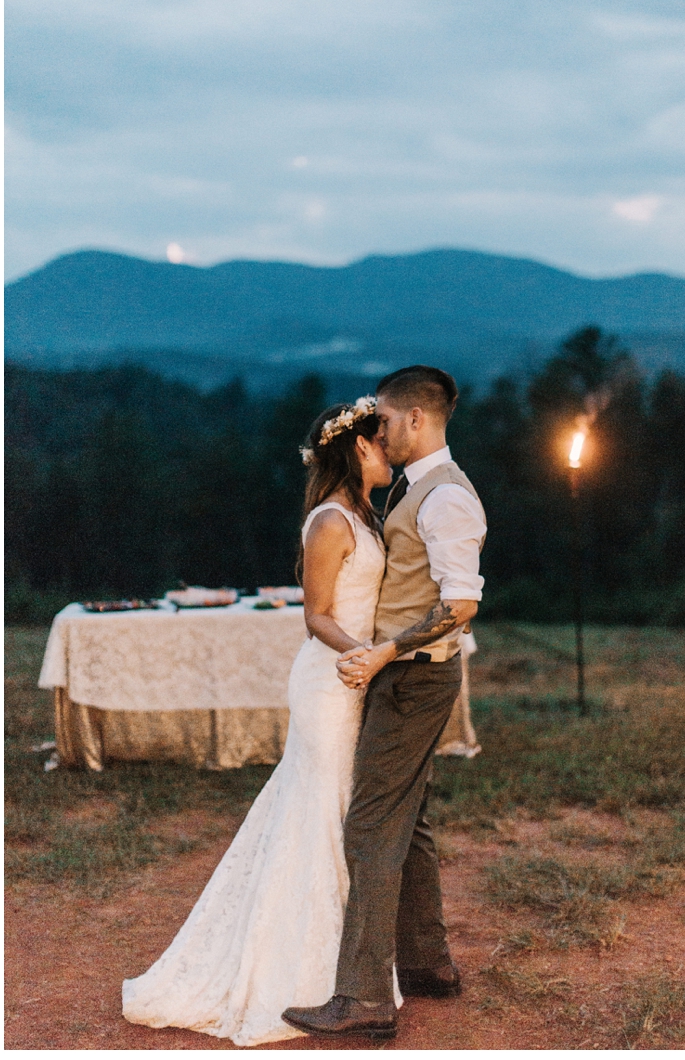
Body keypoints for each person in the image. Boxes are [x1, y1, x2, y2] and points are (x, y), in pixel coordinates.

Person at [121, 396, 395, 1046]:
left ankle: (354, 972)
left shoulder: (368, 514)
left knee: (339, 813)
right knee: (323, 815)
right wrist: (366, 656)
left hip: (359, 678)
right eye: (383, 442)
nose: (392, 453)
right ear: (358, 448)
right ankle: (311, 975)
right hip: (330, 681)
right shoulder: (331, 521)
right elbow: (317, 616)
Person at [283, 364, 486, 1042]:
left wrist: (385, 653)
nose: (384, 431)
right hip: (403, 675)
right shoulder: (413, 490)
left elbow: (461, 604)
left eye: (390, 420)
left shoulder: (446, 497)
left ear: (416, 420)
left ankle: (365, 997)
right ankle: (429, 966)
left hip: (412, 677)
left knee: (371, 826)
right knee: (413, 819)